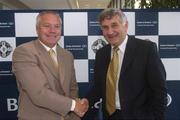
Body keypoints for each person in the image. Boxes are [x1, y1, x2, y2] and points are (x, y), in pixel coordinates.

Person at [90, 8, 167, 120]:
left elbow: (160, 91)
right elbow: (98, 88)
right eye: (105, 27)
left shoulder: (146, 49)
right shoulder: (101, 54)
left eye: (114, 25)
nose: (110, 32)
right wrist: (85, 101)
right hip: (110, 116)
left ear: (125, 26)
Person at [12, 11, 88, 120]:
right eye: (47, 26)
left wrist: (75, 114)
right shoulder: (24, 52)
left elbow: (72, 88)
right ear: (37, 29)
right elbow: (39, 93)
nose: (52, 30)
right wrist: (74, 105)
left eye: (57, 26)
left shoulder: (67, 55)